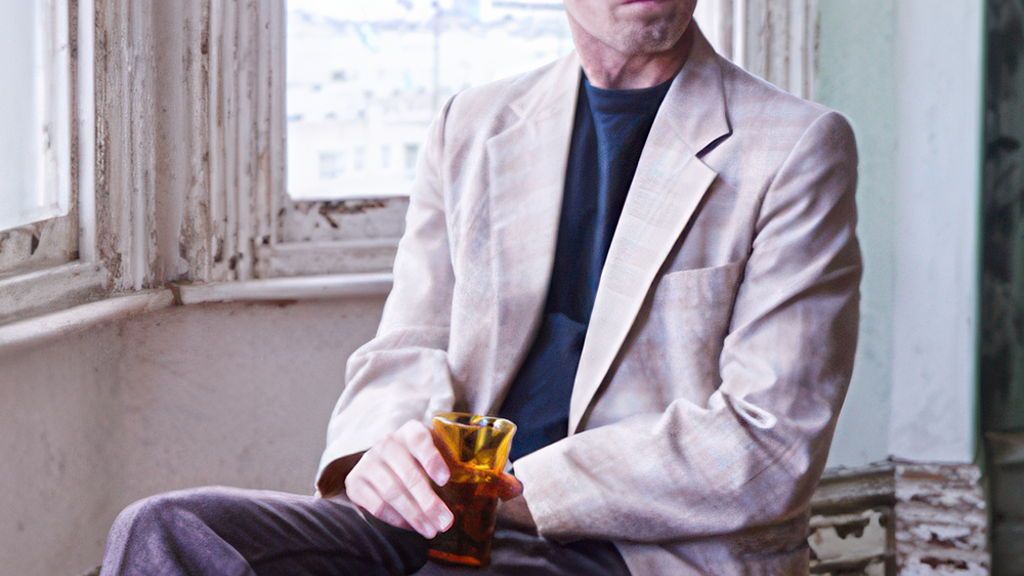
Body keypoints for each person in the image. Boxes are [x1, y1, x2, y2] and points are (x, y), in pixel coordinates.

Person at [101, 0, 862, 574]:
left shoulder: (795, 148)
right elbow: (410, 345)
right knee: (168, 531)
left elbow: (768, 441)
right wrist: (381, 451)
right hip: (444, 518)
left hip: (632, 549)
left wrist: (511, 489)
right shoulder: (471, 123)